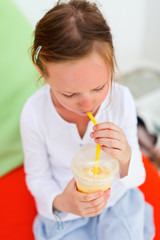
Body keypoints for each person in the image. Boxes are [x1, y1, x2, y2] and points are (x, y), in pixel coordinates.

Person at [20, 0, 155, 239]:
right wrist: (62, 201)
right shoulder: (34, 113)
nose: (87, 104)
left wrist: (125, 157)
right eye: (70, 94)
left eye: (99, 87)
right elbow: (37, 177)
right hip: (68, 209)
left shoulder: (121, 99)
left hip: (117, 202)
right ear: (42, 71)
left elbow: (136, 177)